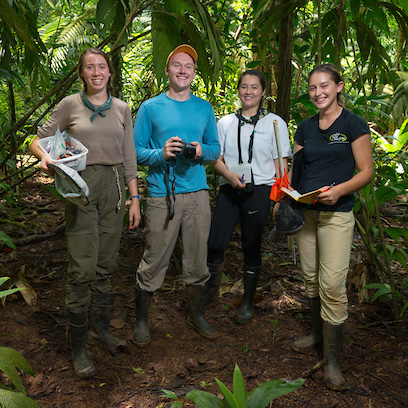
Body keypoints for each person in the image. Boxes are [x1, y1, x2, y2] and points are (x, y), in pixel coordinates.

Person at [30, 48, 141, 379]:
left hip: (114, 188)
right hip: (80, 187)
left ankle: (99, 330)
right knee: (82, 268)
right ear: (82, 73)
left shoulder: (122, 108)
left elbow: (129, 155)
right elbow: (38, 138)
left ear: (110, 73)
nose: (96, 72)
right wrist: (46, 157)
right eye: (89, 67)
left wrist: (135, 198)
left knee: (106, 264)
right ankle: (78, 348)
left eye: (102, 66)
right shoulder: (70, 105)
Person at [291, 63, 373, 391]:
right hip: (305, 212)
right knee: (310, 277)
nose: (317, 93)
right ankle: (314, 334)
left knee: (333, 284)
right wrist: (286, 194)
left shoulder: (353, 124)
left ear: (339, 86)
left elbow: (366, 171)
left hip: (336, 214)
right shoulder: (304, 127)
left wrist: (338, 190)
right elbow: (295, 170)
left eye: (324, 86)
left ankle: (332, 359)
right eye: (312, 88)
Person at [132, 44, 220, 345]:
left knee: (197, 259)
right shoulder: (150, 108)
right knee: (154, 257)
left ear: (194, 74)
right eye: (177, 65)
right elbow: (136, 151)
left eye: (189, 67)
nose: (183, 71)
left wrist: (199, 151)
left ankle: (197, 315)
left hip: (197, 194)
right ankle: (141, 320)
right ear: (168, 70)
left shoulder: (204, 108)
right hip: (162, 195)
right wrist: (162, 152)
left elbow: (215, 149)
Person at [207, 70, 291, 324]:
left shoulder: (275, 123)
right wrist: (229, 176)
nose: (249, 91)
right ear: (239, 90)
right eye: (244, 86)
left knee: (251, 245)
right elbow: (215, 159)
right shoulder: (225, 123)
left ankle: (247, 302)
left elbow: (281, 167)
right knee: (215, 243)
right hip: (230, 187)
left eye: (255, 87)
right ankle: (209, 296)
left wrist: (280, 199)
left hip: (261, 190)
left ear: (263, 91)